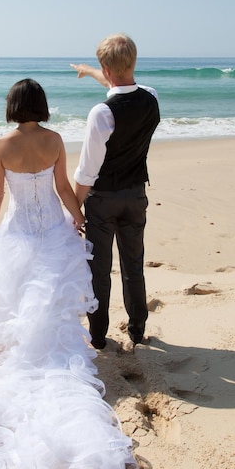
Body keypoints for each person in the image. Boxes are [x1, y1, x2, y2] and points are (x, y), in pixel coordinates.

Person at [0, 78, 140, 469]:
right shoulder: (55, 140)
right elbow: (64, 188)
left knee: (12, 292)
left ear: (12, 106)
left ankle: (13, 348)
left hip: (19, 231)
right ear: (42, 106)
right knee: (53, 295)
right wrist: (78, 219)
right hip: (52, 231)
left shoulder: (0, 145)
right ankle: (52, 348)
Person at [72, 34, 160, 351]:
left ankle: (98, 336)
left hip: (104, 200)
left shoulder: (101, 113)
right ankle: (137, 330)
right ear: (133, 62)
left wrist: (73, 207)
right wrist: (90, 71)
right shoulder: (151, 97)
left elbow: (87, 171)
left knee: (100, 271)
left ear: (106, 69)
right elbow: (120, 87)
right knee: (133, 265)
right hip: (136, 196)